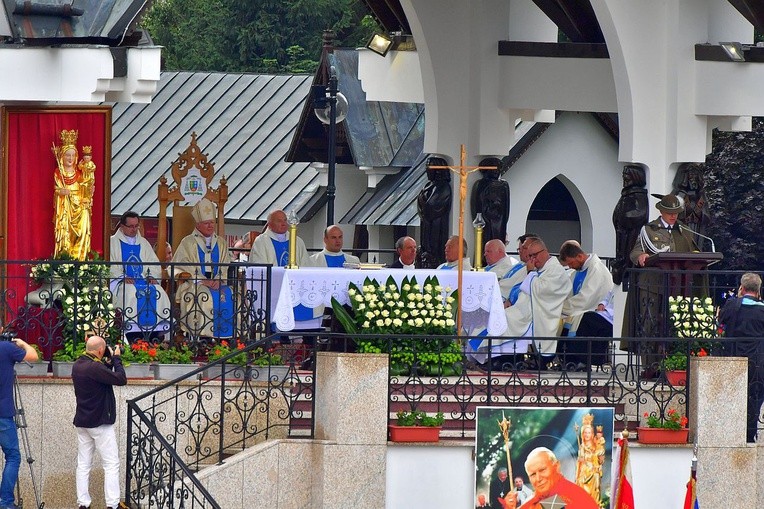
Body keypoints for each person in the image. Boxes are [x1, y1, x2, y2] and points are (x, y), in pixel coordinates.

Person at [72, 335, 127, 509]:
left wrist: (109, 361)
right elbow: (120, 379)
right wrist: (117, 358)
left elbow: (102, 375)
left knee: (83, 464)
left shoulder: (78, 365)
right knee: (111, 464)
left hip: (83, 422)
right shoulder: (94, 367)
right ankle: (112, 504)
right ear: (100, 350)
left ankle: (83, 503)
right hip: (100, 423)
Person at [173, 198, 234, 338]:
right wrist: (201, 280)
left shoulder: (221, 243)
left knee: (231, 295)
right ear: (198, 224)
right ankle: (202, 336)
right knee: (203, 296)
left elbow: (225, 265)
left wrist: (218, 279)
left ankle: (227, 337)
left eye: (212, 222)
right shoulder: (188, 242)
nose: (210, 226)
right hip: (195, 284)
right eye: (206, 223)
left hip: (218, 283)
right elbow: (180, 266)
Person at [501, 238, 572, 358]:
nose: (533, 259)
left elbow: (542, 290)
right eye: (530, 256)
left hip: (542, 312)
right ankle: (500, 356)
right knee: (501, 316)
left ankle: (506, 357)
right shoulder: (539, 269)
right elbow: (520, 287)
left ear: (545, 251)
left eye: (535, 255)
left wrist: (530, 273)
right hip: (525, 308)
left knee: (506, 318)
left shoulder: (555, 270)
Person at [718, 273, 764, 443]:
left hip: (734, 357)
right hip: (758, 361)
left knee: (734, 395)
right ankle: (749, 433)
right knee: (755, 396)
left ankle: (732, 432)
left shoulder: (732, 306)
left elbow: (721, 324)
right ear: (758, 290)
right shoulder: (762, 310)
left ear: (742, 288)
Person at [109, 211, 171, 338]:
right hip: (124, 282)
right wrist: (122, 277)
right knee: (131, 292)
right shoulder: (112, 242)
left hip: (142, 280)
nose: (134, 229)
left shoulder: (143, 243)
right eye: (131, 226)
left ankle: (155, 332)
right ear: (122, 226)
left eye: (136, 226)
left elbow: (153, 264)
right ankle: (131, 331)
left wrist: (151, 276)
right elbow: (110, 265)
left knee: (159, 291)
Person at [558, 241, 614, 367]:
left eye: (571, 263)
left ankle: (580, 361)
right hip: (579, 311)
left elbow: (585, 299)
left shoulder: (597, 270)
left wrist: (561, 308)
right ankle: (567, 360)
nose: (571, 267)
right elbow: (569, 293)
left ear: (579, 256)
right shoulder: (577, 271)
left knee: (582, 321)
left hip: (599, 313)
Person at [0, 331, 38, 509]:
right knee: (13, 456)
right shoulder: (7, 348)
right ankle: (6, 502)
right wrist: (22, 343)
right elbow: (34, 356)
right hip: (3, 413)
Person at [500, 447, 598, 509]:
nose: (538, 478)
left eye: (542, 470)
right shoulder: (532, 499)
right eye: (533, 475)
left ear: (556, 467)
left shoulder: (572, 495)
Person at [53, 129, 94, 260]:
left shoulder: (80, 173)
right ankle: (65, 259)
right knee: (66, 233)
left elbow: (86, 188)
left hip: (80, 206)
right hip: (66, 207)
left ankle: (80, 259)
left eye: (72, 155)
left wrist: (89, 193)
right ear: (62, 157)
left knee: (83, 229)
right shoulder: (58, 173)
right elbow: (56, 189)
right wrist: (61, 192)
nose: (70, 158)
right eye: (67, 155)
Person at [611, 164, 648, 285]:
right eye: (624, 176)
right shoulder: (626, 194)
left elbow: (641, 212)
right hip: (622, 231)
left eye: (627, 176)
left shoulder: (638, 194)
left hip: (630, 232)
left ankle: (624, 269)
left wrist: (624, 216)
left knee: (627, 253)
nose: (625, 179)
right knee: (621, 252)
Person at [418, 158, 452, 268]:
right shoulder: (429, 185)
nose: (427, 171)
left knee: (433, 250)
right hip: (427, 225)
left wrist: (423, 203)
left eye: (429, 168)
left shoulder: (443, 187)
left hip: (436, 227)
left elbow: (431, 207)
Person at [471, 159, 510, 245]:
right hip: (487, 218)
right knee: (486, 241)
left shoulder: (504, 185)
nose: (496, 171)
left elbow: (506, 207)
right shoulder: (481, 184)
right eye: (493, 168)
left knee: (498, 241)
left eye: (498, 168)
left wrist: (502, 219)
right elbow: (478, 205)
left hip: (499, 219)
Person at [574, 416, 605, 505]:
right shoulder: (582, 447)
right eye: (585, 432)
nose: (587, 434)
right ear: (582, 434)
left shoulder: (596, 446)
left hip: (594, 474)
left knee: (595, 493)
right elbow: (579, 463)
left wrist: (600, 459)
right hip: (584, 474)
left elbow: (600, 461)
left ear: (592, 434)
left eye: (589, 432)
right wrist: (580, 459)